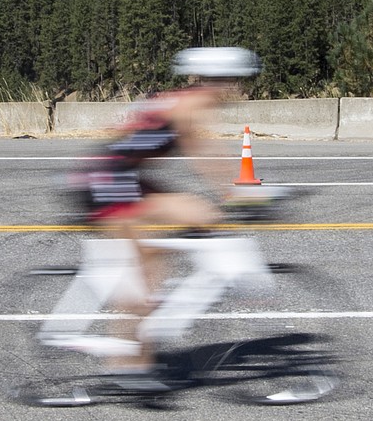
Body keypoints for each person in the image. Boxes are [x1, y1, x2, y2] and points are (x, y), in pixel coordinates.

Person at [55, 47, 262, 388]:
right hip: (105, 180)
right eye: (235, 82)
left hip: (121, 176)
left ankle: (139, 349)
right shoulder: (191, 105)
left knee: (199, 214)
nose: (237, 90)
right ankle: (128, 363)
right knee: (146, 273)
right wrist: (243, 195)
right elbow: (206, 158)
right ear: (221, 81)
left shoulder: (183, 99)